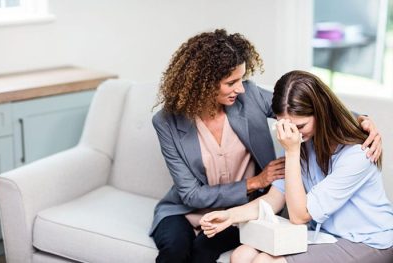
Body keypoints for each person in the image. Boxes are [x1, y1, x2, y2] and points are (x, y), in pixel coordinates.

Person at [151, 29, 382, 263]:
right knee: (185, 252)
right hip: (190, 209)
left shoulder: (260, 107)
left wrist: (360, 120)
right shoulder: (167, 121)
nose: (241, 88)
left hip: (351, 234)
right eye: (231, 82)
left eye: (241, 79)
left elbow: (312, 109)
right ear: (204, 85)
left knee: (215, 253)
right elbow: (192, 194)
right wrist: (249, 191)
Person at [200, 70, 393, 263]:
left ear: (321, 113)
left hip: (368, 240)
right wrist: (230, 216)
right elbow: (274, 199)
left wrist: (292, 152)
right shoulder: (302, 143)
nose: (294, 134)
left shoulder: (357, 154)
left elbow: (300, 216)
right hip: (325, 235)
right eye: (286, 126)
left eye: (300, 127)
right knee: (242, 255)